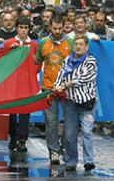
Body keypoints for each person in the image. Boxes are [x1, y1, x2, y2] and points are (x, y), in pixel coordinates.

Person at [53, 34, 97, 172]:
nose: (78, 46)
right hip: (70, 102)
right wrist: (57, 86)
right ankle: (71, 161)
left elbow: (85, 77)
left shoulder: (91, 61)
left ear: (86, 46)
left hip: (87, 103)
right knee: (70, 134)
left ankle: (89, 161)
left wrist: (68, 84)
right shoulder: (68, 60)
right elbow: (60, 75)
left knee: (86, 132)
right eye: (76, 44)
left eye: (81, 44)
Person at [34, 15, 73, 165]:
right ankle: (54, 151)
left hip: (67, 89)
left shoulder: (70, 42)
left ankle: (63, 146)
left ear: (64, 27)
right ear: (49, 27)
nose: (57, 31)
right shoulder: (43, 42)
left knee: (70, 124)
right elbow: (37, 60)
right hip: (49, 88)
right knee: (51, 122)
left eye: (60, 28)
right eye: (54, 28)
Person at [4, 16, 40, 153]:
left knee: (25, 112)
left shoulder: (34, 45)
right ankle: (13, 136)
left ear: (29, 29)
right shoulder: (9, 43)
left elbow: (38, 62)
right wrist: (10, 51)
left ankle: (22, 139)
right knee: (11, 112)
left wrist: (31, 73)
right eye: (21, 27)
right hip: (12, 83)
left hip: (27, 83)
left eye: (26, 28)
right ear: (17, 28)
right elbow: (3, 62)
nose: (23, 31)